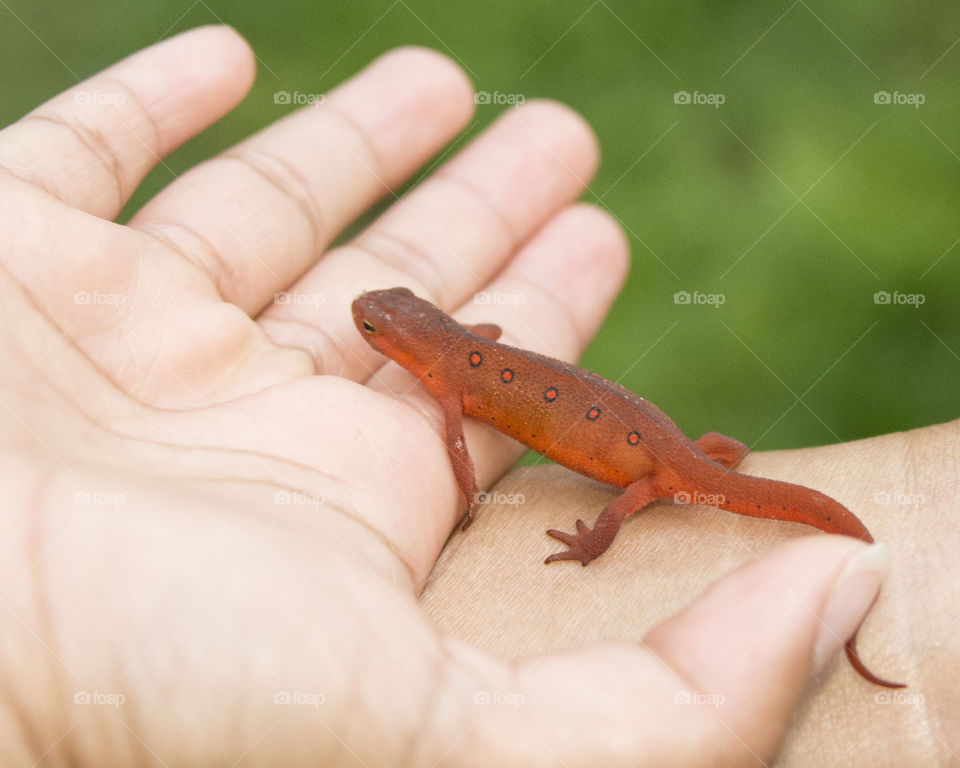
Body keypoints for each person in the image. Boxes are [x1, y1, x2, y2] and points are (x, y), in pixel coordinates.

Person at [0, 25, 945, 767]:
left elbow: (459, 451)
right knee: (714, 455)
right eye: (376, 326)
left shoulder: (451, 380)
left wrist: (503, 511)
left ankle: (610, 535)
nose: (368, 329)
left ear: (413, 339)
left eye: (377, 329)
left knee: (685, 479)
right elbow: (484, 340)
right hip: (674, 442)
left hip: (654, 472)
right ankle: (736, 472)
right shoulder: (459, 348)